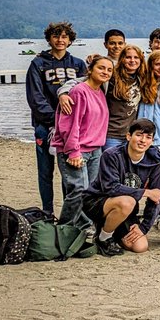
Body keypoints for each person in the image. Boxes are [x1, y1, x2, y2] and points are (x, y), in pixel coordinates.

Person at [80, 118, 160, 256]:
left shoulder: (155, 161)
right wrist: (145, 192)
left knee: (140, 246)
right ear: (128, 136)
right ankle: (103, 239)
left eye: (148, 137)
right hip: (97, 202)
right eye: (139, 135)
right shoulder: (111, 155)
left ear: (152, 141)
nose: (143, 140)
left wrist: (143, 227)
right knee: (127, 202)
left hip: (125, 209)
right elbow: (110, 188)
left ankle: (111, 229)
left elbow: (158, 197)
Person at [27, 21, 87, 214]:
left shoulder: (78, 65)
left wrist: (71, 123)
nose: (60, 40)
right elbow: (35, 97)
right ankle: (47, 212)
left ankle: (68, 214)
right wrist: (56, 119)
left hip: (70, 129)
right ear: (49, 39)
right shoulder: (38, 64)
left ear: (70, 40)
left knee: (68, 173)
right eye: (56, 36)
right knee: (45, 172)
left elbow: (86, 94)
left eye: (64, 37)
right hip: (45, 126)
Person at [52, 55, 112, 227]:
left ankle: (82, 228)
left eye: (109, 70)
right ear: (90, 70)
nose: (105, 72)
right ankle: (64, 228)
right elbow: (69, 124)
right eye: (101, 68)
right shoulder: (78, 91)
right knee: (78, 190)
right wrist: (73, 152)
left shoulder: (100, 92)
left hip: (95, 150)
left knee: (90, 192)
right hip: (76, 150)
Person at [100, 45, 143, 152]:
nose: (132, 60)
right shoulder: (112, 76)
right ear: (122, 59)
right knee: (111, 161)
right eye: (128, 57)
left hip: (130, 135)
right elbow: (84, 81)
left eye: (136, 57)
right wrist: (63, 93)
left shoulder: (141, 78)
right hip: (111, 134)